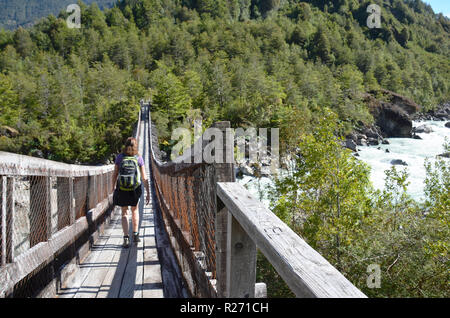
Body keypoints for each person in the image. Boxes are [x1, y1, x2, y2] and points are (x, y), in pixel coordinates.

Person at [112, 137, 150, 248]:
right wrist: (147, 191)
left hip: (122, 188)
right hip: (135, 189)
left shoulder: (120, 157)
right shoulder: (138, 158)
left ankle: (126, 238)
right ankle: (136, 234)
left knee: (124, 213)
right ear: (135, 146)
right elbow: (144, 176)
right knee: (135, 210)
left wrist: (112, 187)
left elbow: (115, 174)